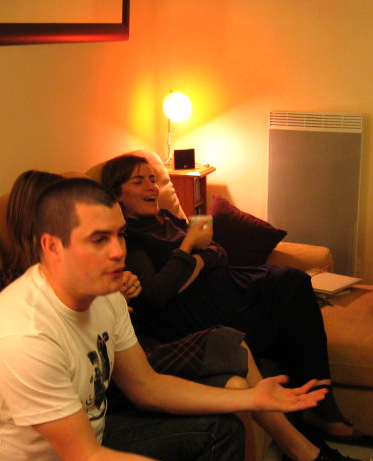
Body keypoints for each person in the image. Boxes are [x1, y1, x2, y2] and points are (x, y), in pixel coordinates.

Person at [0, 170, 362, 461]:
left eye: (121, 235)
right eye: (99, 239)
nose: (117, 252)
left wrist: (252, 397)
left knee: (224, 429)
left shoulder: (105, 292)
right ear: (51, 246)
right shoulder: (24, 333)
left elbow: (146, 386)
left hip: (91, 430)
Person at [100, 154, 359, 445]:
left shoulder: (167, 218)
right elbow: (158, 293)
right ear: (117, 195)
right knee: (291, 288)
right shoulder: (131, 238)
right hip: (199, 310)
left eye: (152, 179)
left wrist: (195, 262)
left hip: (226, 285)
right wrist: (189, 246)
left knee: (293, 286)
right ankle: (320, 408)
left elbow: (219, 251)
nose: (152, 187)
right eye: (139, 182)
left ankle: (316, 403)